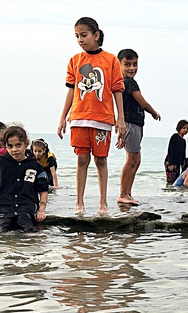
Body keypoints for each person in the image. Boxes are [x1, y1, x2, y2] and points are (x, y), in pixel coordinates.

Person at [57, 17, 126, 216]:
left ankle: (103, 203)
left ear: (96, 35)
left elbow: (117, 90)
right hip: (78, 117)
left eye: (84, 35)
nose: (80, 39)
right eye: (77, 36)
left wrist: (120, 119)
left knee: (101, 160)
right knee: (81, 160)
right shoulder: (75, 60)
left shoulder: (110, 59)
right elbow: (70, 91)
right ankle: (79, 203)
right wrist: (63, 118)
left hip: (103, 118)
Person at [0, 126, 49, 232]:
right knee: (2, 230)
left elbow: (43, 189)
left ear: (26, 144)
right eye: (10, 146)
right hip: (2, 208)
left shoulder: (34, 165)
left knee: (28, 230)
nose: (14, 150)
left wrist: (42, 210)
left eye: (18, 145)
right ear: (5, 146)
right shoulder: (1, 163)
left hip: (25, 208)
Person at [117, 48, 161, 206]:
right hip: (132, 124)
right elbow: (142, 102)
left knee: (136, 159)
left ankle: (127, 192)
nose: (132, 68)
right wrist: (153, 112)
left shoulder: (122, 83)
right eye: (127, 64)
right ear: (119, 65)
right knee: (132, 159)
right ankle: (123, 193)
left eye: (135, 64)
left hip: (133, 124)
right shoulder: (129, 82)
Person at [165, 119, 188, 185]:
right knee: (171, 180)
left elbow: (183, 153)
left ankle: (175, 194)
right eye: (184, 128)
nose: (186, 130)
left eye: (187, 128)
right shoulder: (175, 137)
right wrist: (170, 163)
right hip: (171, 161)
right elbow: (170, 150)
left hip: (178, 162)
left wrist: (184, 164)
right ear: (179, 128)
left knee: (176, 180)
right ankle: (169, 193)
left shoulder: (183, 141)